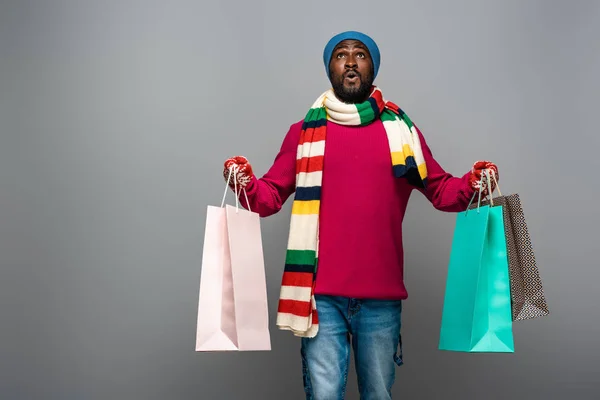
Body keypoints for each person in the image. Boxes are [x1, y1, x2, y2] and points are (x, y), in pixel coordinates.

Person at [221, 31, 498, 399]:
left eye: (360, 54)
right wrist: (243, 183)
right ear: (329, 68)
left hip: (381, 298)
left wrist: (476, 182)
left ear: (373, 66)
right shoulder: (303, 133)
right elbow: (268, 198)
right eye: (340, 55)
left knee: (378, 396)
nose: (350, 62)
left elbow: (442, 190)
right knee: (324, 396)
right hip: (319, 297)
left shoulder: (401, 132)